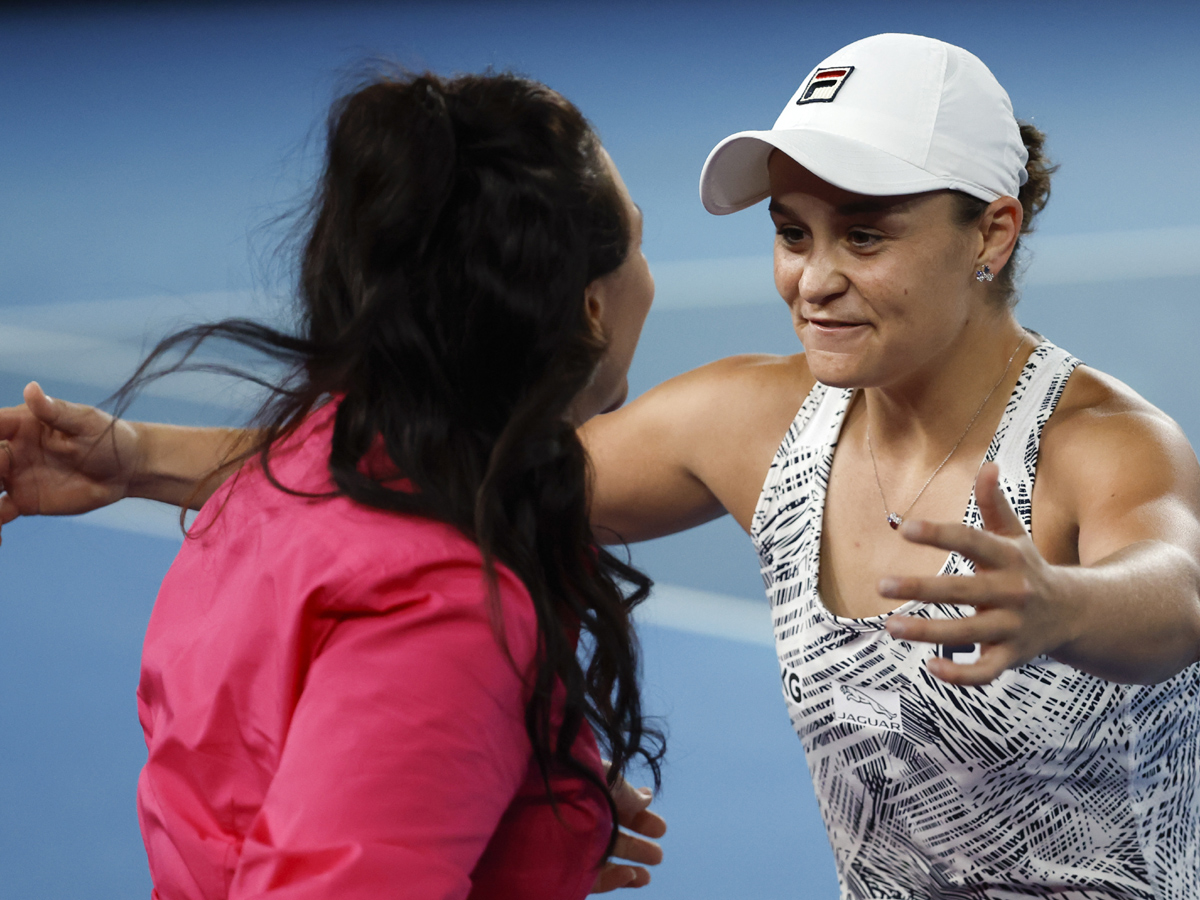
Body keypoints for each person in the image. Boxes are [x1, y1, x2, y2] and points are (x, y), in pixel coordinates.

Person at [4, 33, 1200, 898]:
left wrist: (1059, 605)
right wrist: (132, 456)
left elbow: (1178, 588)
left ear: (992, 230)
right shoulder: (750, 422)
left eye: (866, 235)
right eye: (792, 233)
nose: (814, 279)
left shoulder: (1103, 442)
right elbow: (432, 481)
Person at [3, 70, 673, 899]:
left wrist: (520, 792)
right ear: (591, 309)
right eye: (641, 241)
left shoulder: (312, 460)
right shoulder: (447, 612)